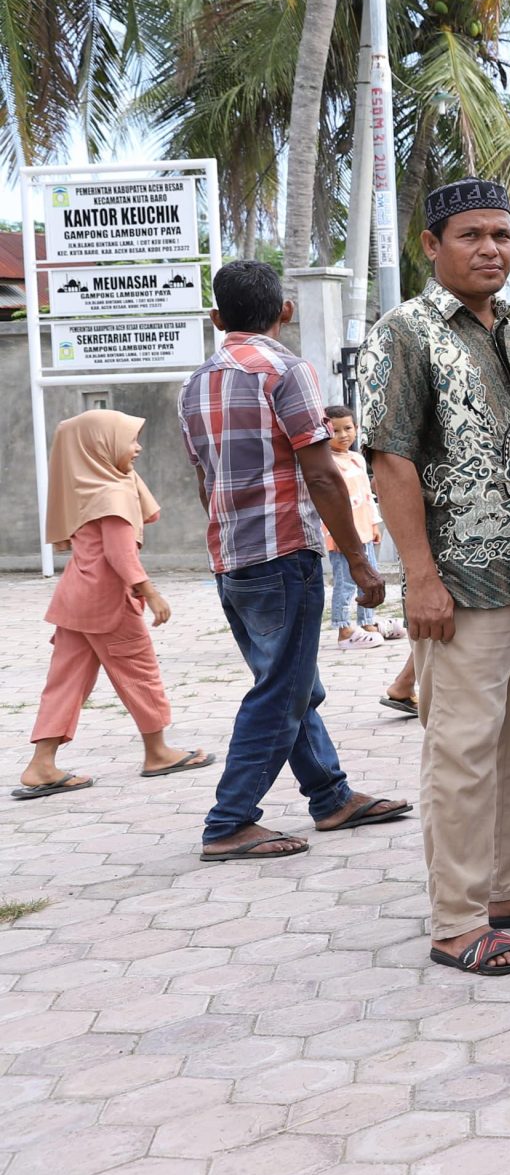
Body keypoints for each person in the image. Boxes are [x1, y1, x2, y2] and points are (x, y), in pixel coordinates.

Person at [359, 179, 510, 978]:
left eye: (502, 235)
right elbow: (390, 460)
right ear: (432, 245)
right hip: (462, 584)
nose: (491, 249)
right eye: (471, 236)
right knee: (461, 750)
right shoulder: (405, 331)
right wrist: (418, 579)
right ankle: (457, 921)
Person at [181, 261, 411, 862]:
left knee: (291, 683)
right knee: (281, 691)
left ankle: (330, 796)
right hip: (284, 553)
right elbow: (322, 472)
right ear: (285, 310)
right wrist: (361, 562)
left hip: (231, 556)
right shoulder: (286, 370)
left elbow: (205, 481)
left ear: (216, 317)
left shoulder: (195, 384)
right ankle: (229, 821)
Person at [16, 410, 211, 800]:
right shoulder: (113, 491)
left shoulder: (87, 485)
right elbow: (121, 555)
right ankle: (157, 752)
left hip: (75, 600)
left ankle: (42, 764)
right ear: (101, 447)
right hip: (108, 603)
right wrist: (150, 593)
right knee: (140, 671)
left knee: (66, 681)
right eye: (129, 440)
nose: (137, 448)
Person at [320, 406, 394, 648]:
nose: (343, 435)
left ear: (357, 429)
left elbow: (366, 495)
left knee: (370, 576)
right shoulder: (325, 463)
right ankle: (344, 628)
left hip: (364, 531)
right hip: (342, 535)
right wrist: (331, 534)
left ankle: (368, 622)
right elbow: (326, 503)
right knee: (346, 581)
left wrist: (374, 523)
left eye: (348, 428)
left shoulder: (357, 459)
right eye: (336, 430)